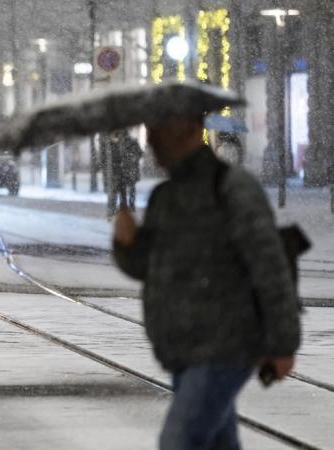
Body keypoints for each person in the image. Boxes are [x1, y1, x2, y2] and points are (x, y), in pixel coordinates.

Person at [113, 115, 300, 450]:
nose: (151, 140)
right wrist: (125, 242)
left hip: (226, 345)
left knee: (180, 441)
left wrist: (282, 343)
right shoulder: (165, 197)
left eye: (158, 130)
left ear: (187, 130)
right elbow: (147, 267)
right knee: (217, 443)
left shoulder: (232, 188)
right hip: (182, 349)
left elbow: (270, 269)